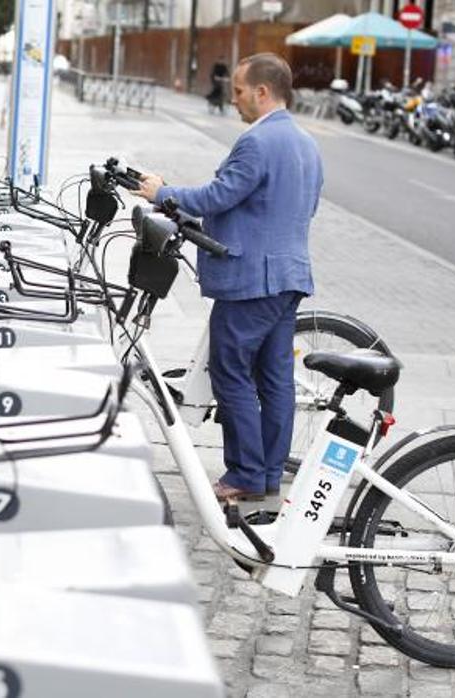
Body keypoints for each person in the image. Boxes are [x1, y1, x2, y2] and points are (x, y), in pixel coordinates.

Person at [132, 53, 322, 501]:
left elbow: (219, 196)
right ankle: (268, 473)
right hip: (290, 274)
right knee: (275, 379)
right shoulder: (306, 142)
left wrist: (164, 193)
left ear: (261, 91)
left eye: (238, 91)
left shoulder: (257, 143)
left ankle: (244, 475)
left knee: (230, 371)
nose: (232, 99)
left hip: (252, 280)